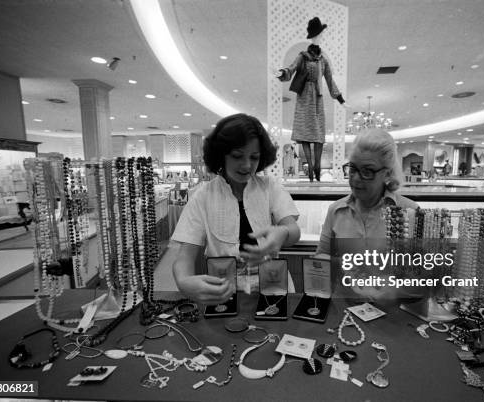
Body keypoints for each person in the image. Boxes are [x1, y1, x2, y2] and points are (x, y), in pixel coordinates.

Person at [171, 114, 301, 304]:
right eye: (237, 156)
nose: (247, 165)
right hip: (222, 294)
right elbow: (185, 256)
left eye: (254, 157)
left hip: (273, 287)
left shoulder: (269, 187)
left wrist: (282, 233)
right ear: (221, 154)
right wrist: (183, 282)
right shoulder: (203, 196)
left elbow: (293, 230)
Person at [315, 128, 418, 301]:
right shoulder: (336, 210)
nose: (355, 178)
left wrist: (397, 289)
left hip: (392, 315)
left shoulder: (410, 212)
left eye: (367, 171)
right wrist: (339, 264)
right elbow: (321, 256)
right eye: (352, 169)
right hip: (344, 310)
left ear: (387, 173)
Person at [275, 17, 346, 182]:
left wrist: (340, 99)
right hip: (304, 98)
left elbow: (330, 81)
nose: (321, 37)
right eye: (320, 34)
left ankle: (317, 167)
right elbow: (291, 69)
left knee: (319, 136)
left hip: (318, 98)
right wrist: (282, 73)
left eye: (322, 35)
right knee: (305, 134)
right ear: (315, 36)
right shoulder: (303, 56)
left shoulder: (323, 60)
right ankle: (312, 174)